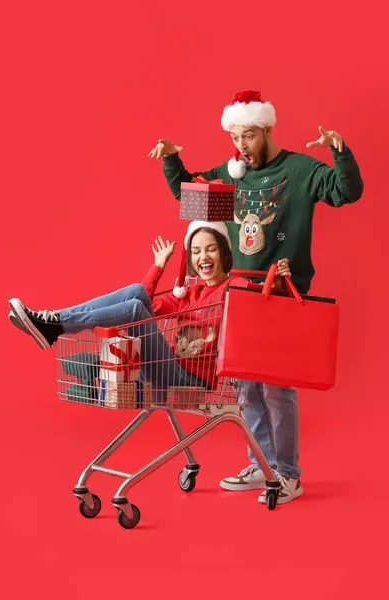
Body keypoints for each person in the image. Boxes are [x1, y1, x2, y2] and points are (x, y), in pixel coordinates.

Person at [148, 89, 364, 504]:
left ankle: (287, 474)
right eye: (235, 137)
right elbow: (190, 194)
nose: (241, 146)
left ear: (266, 129)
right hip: (239, 293)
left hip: (282, 294)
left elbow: (345, 191)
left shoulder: (300, 171)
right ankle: (261, 464)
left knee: (277, 389)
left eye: (248, 136)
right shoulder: (232, 174)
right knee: (246, 386)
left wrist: (340, 151)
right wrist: (172, 159)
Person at [8, 220, 290, 402]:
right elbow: (146, 305)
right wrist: (158, 266)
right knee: (135, 294)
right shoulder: (188, 293)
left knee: (132, 307)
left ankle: (57, 325)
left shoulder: (234, 285)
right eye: (195, 251)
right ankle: (55, 321)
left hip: (189, 381)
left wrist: (275, 284)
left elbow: (258, 299)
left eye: (211, 249)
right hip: (164, 367)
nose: (203, 257)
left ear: (224, 253)